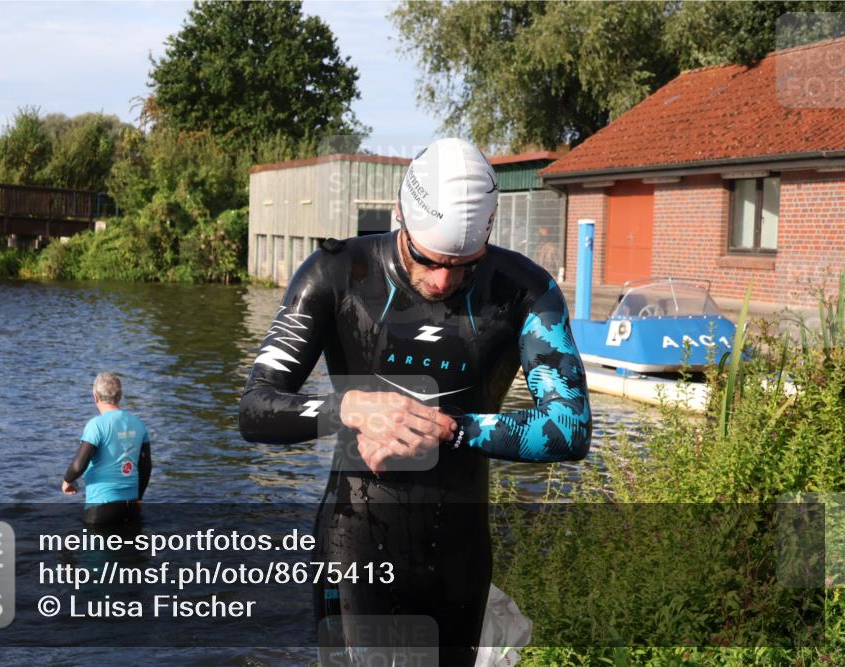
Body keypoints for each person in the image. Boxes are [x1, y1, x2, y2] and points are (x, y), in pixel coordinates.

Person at [239, 138, 592, 666]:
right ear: (401, 217)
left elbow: (571, 426)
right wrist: (347, 408)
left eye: (464, 265)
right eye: (429, 259)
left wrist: (452, 429)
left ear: (488, 234)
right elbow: (256, 408)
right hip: (352, 543)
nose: (444, 279)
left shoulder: (525, 290)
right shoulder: (336, 274)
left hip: (457, 554)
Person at [62, 372, 151, 525]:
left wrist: (67, 481)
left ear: (95, 397)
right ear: (120, 395)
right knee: (129, 548)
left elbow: (78, 465)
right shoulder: (139, 424)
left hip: (101, 507)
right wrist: (139, 498)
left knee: (96, 548)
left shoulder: (96, 425)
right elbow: (146, 466)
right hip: (130, 507)